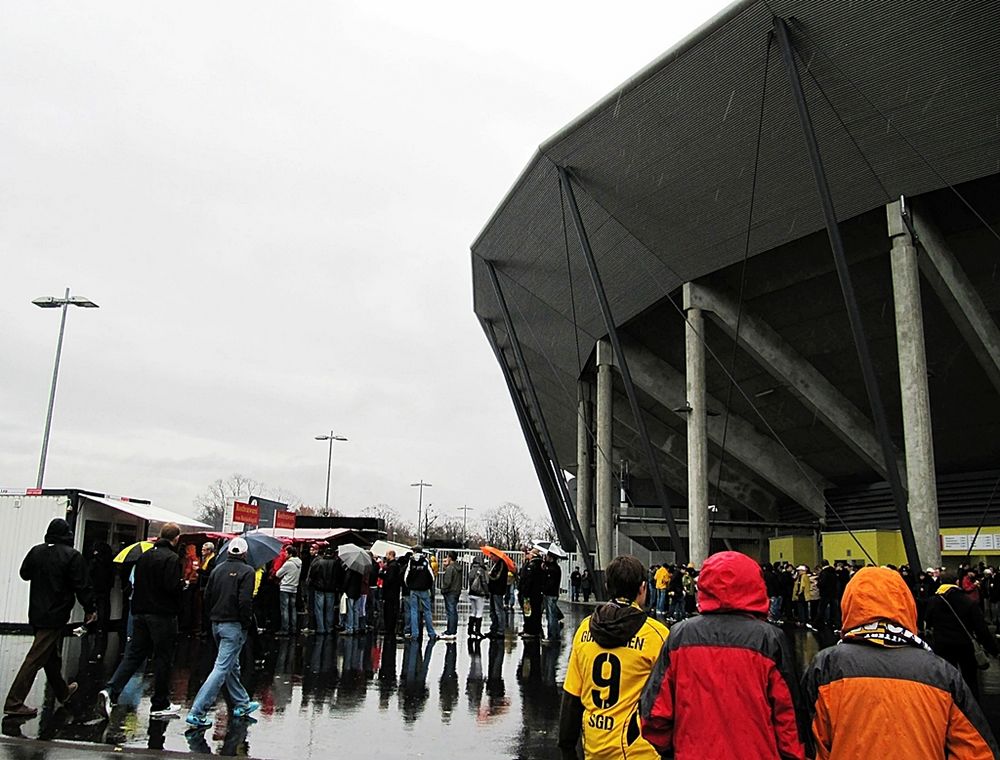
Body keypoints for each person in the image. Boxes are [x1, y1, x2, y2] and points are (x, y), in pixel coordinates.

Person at [802, 566, 998, 758]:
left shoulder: (826, 666)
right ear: (906, 604)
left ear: (849, 605)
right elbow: (977, 750)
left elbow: (808, 744)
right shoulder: (940, 672)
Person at [640, 551, 808, 759]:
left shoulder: (680, 636)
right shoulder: (769, 639)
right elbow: (789, 716)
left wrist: (674, 749)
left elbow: (654, 713)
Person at [558, 555, 669, 759]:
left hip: (595, 747)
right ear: (643, 588)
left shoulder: (585, 629)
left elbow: (572, 697)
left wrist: (567, 747)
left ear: (607, 586)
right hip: (639, 750)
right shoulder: (657, 635)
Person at [4, 518, 96, 718]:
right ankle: (14, 702)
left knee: (50, 656)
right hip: (56, 613)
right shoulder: (72, 556)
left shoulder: (36, 551)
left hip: (36, 611)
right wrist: (90, 608)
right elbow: (82, 585)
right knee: (35, 657)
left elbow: (24, 574)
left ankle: (63, 692)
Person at [98, 523, 185, 719]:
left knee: (133, 655)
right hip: (162, 615)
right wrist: (181, 588)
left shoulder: (144, 556)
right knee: (164, 657)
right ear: (176, 538)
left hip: (140, 613)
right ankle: (160, 703)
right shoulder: (172, 559)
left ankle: (110, 691)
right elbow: (171, 588)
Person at [185, 537, 259, 729]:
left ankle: (242, 702)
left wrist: (212, 617)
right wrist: (246, 622)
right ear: (244, 553)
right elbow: (245, 601)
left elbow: (207, 595)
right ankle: (197, 711)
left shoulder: (217, 569)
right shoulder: (248, 572)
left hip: (216, 623)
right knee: (222, 667)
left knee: (231, 665)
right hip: (233, 625)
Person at [924, 574, 1000, 696]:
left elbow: (927, 621)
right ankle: (972, 707)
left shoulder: (933, 601)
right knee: (970, 680)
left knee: (946, 680)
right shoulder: (967, 601)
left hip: (942, 646)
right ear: (957, 582)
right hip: (965, 646)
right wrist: (993, 650)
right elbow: (981, 629)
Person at [404, 547, 438, 640]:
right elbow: (431, 576)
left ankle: (415, 633)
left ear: (414, 551)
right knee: (427, 611)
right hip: (424, 589)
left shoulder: (411, 561)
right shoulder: (425, 560)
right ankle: (431, 633)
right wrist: (428, 585)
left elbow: (406, 576)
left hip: (413, 590)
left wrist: (410, 585)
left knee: (413, 611)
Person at [307, 546, 338, 635]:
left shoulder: (319, 562)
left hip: (319, 588)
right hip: (331, 589)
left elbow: (312, 574)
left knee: (319, 609)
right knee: (329, 609)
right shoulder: (335, 563)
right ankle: (329, 627)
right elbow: (338, 576)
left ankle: (321, 628)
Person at [275, 545, 302, 636]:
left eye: (286, 552)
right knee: (293, 608)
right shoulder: (299, 562)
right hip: (294, 588)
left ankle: (285, 629)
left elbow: (278, 574)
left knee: (285, 609)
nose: (285, 554)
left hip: (285, 588)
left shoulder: (288, 563)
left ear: (290, 554)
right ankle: (293, 628)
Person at [519, 549, 544, 639]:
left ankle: (530, 631)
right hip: (536, 594)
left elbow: (527, 580)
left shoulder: (532, 566)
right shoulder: (540, 565)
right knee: (534, 613)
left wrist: (525, 592)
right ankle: (531, 630)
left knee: (529, 613)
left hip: (530, 594)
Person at [485, 553, 509, 638]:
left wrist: (489, 575)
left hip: (498, 590)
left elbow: (497, 577)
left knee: (498, 610)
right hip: (493, 590)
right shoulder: (496, 564)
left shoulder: (502, 564)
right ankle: (494, 629)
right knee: (493, 611)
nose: (491, 558)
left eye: (492, 556)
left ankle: (500, 630)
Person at [380, 550, 403, 636]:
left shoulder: (392, 566)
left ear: (390, 555)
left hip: (390, 592)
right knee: (391, 610)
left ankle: (389, 627)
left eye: (386, 555)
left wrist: (382, 575)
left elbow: (390, 579)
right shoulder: (394, 565)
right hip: (393, 592)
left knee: (389, 610)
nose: (386, 556)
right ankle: (390, 627)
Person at [541, 551, 562, 643]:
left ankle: (551, 636)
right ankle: (556, 634)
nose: (546, 557)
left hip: (550, 594)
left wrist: (543, 589)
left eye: (548, 556)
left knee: (551, 616)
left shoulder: (553, 569)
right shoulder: (555, 568)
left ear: (552, 558)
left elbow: (549, 582)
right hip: (553, 594)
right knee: (553, 615)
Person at [441, 551, 462, 640]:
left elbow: (447, 582)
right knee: (453, 611)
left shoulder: (451, 568)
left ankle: (450, 631)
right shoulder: (458, 568)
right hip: (456, 591)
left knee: (450, 611)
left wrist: (443, 589)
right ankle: (452, 630)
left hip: (450, 592)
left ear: (450, 557)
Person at [467, 554, 489, 639]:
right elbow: (483, 582)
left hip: (471, 593)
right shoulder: (481, 570)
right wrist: (487, 593)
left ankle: (470, 629)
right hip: (479, 594)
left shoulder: (471, 569)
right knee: (479, 612)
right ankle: (477, 631)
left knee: (473, 612)